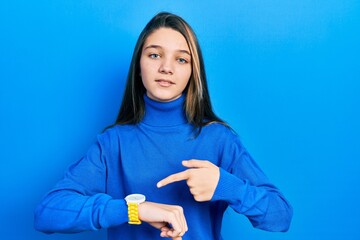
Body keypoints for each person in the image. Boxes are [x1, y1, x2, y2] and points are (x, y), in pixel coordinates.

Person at [34, 12, 293, 240]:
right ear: (138, 66)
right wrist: (134, 210)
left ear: (194, 72)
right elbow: (48, 212)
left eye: (181, 59)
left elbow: (280, 216)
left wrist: (226, 185)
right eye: (155, 55)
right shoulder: (113, 143)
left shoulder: (218, 139)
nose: (166, 67)